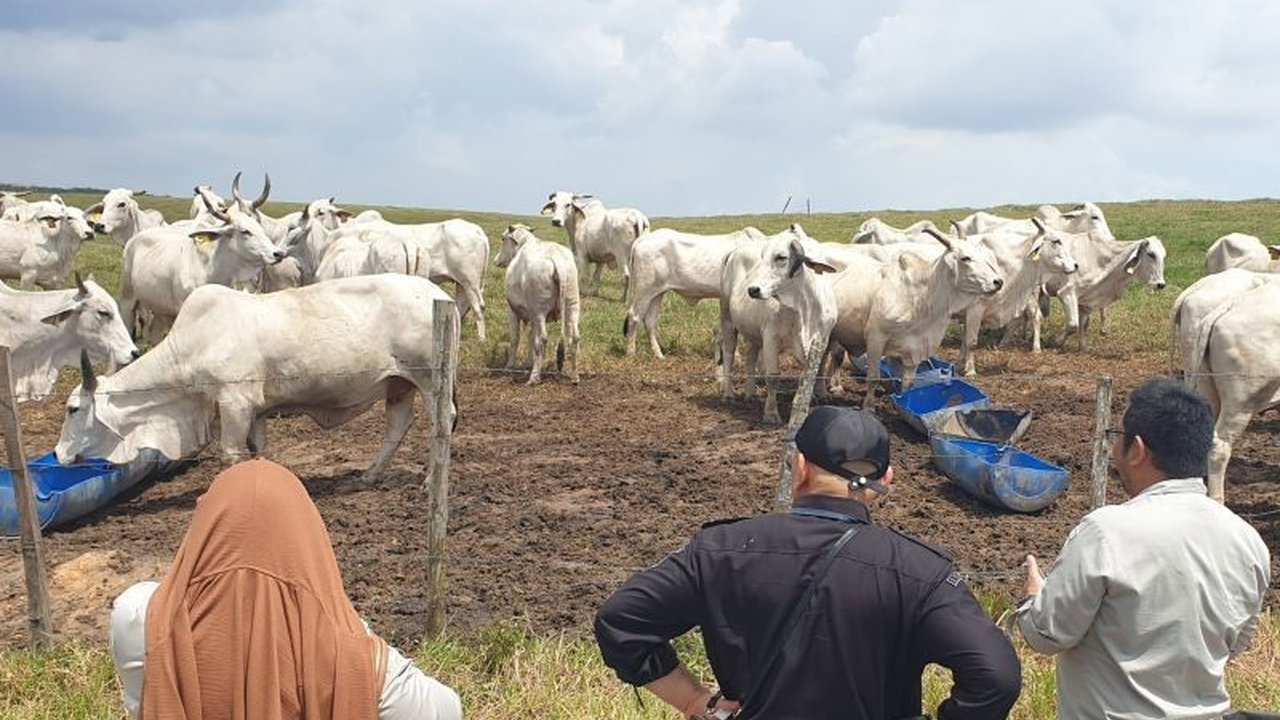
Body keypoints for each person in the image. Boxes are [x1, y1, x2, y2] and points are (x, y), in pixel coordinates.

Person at [594, 405, 1022, 720]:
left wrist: (693, 700)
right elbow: (995, 676)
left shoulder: (720, 548)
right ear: (883, 484)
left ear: (798, 467)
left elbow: (621, 622)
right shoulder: (918, 570)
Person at [108, 458, 462, 720]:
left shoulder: (140, 618)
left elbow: (143, 705)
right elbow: (448, 709)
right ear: (310, 541)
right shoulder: (356, 660)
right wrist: (343, 623)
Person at [1017, 378, 1271, 720]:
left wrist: (1034, 598)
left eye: (1116, 437)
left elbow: (1047, 634)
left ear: (1137, 449)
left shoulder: (1105, 532)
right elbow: (1236, 645)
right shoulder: (1248, 541)